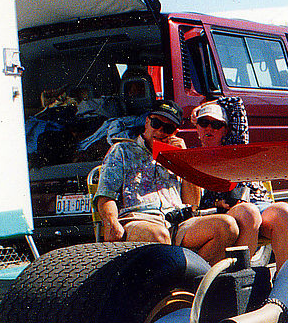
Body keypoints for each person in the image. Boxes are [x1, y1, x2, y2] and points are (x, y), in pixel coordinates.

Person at [95, 99, 239, 265]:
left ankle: (191, 281)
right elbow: (105, 194)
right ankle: (175, 283)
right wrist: (111, 223)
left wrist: (184, 160)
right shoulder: (122, 150)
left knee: (227, 226)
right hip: (140, 220)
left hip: (177, 222)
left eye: (168, 128)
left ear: (175, 132)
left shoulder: (176, 155)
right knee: (159, 235)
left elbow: (193, 202)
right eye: (156, 123)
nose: (161, 131)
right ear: (147, 122)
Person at [184, 99, 288, 268]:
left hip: (258, 202)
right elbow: (195, 205)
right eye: (203, 122)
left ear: (225, 130)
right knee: (248, 212)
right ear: (197, 128)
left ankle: (283, 280)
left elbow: (236, 102)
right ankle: (241, 280)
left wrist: (201, 107)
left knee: (286, 213)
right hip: (230, 211)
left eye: (216, 124)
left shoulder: (235, 145)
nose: (209, 128)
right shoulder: (193, 158)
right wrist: (217, 204)